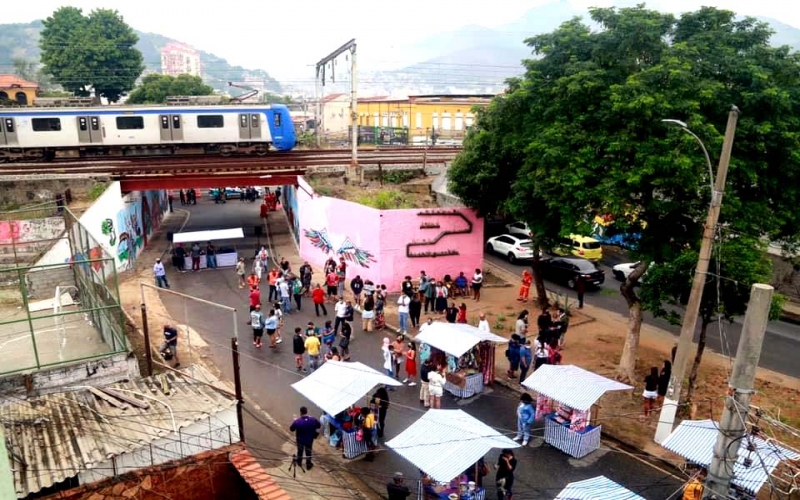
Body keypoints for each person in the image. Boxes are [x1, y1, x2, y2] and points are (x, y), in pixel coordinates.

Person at [289, 406, 321, 470]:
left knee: (300, 451)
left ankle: (299, 462)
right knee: (308, 452)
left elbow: (291, 429)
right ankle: (308, 465)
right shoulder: (313, 419)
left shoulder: (297, 421)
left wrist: (295, 421)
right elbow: (319, 426)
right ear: (306, 412)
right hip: (309, 439)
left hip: (300, 440)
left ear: (300, 412)